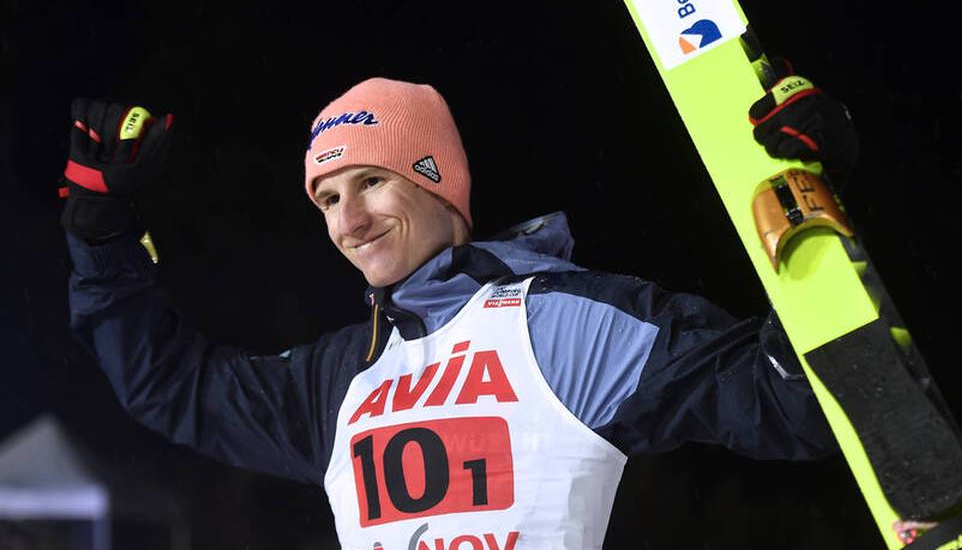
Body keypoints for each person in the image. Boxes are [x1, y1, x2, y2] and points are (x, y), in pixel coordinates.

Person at [62, 74, 858, 549]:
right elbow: (172, 386)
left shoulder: (559, 324)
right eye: (328, 198)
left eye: (372, 183)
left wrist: (818, 202)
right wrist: (102, 239)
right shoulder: (341, 378)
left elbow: (790, 401)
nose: (349, 221)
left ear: (437, 179)